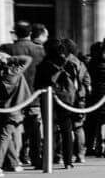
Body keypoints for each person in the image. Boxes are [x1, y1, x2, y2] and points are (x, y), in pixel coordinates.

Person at [37, 38, 90, 167]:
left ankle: (50, 157)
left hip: (48, 98)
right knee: (67, 130)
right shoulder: (71, 63)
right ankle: (68, 161)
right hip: (67, 98)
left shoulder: (44, 64)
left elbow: (37, 84)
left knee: (50, 129)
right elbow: (77, 81)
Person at [0, 37, 33, 173]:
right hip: (15, 108)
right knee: (5, 135)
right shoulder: (13, 72)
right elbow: (27, 59)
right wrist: (10, 58)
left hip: (0, 107)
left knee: (5, 134)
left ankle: (14, 163)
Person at [9, 23, 48, 169]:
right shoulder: (40, 50)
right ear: (30, 33)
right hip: (34, 94)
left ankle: (16, 157)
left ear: (15, 33)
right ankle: (36, 157)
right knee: (35, 128)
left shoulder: (7, 48)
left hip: (14, 95)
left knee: (15, 127)